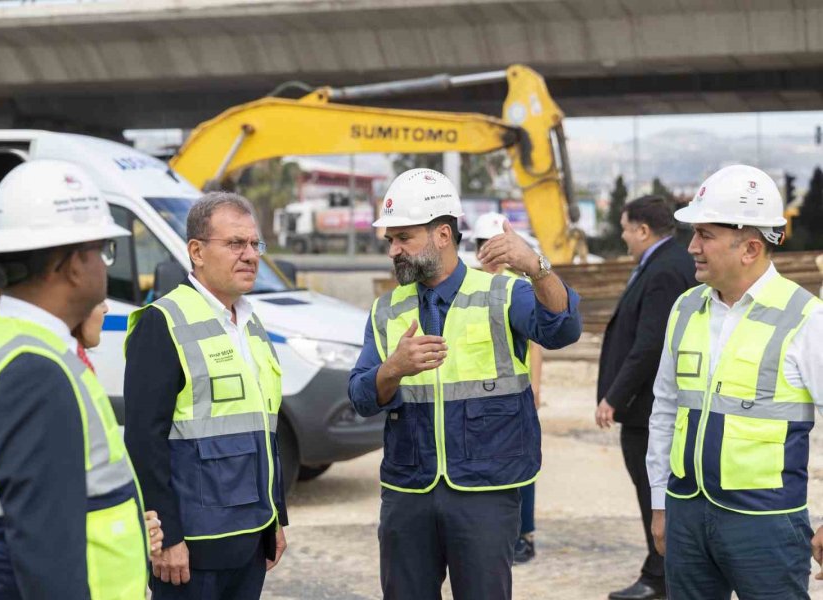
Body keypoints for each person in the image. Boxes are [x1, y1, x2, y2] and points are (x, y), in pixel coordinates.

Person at [349, 169, 582, 599]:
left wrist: (537, 267)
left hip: (486, 490)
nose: (394, 251)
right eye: (390, 241)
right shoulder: (386, 309)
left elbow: (563, 329)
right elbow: (361, 397)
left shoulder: (502, 292)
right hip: (409, 491)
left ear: (442, 234)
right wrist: (393, 369)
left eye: (404, 238)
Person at [0, 160, 150, 599]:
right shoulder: (34, 375)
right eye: (102, 251)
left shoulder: (5, 341)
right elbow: (48, 569)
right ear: (74, 265)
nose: (104, 265)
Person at [647, 164, 823, 599]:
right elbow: (666, 406)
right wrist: (659, 501)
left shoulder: (805, 318)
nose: (691, 247)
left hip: (767, 524)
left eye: (704, 234)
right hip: (686, 513)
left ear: (749, 248)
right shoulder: (686, 308)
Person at [124, 192, 288, 600]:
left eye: (255, 244)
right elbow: (143, 442)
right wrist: (167, 538)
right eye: (235, 244)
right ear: (196, 251)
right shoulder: (162, 323)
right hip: (192, 549)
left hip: (250, 540)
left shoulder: (250, 323)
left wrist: (275, 519)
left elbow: (264, 428)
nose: (250, 255)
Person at [595, 196, 695, 600]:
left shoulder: (666, 269)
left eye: (624, 227)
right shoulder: (662, 262)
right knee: (652, 492)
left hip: (648, 408)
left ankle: (661, 577)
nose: (621, 236)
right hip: (643, 405)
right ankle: (661, 571)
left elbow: (651, 343)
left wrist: (614, 397)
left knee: (654, 493)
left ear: (642, 230)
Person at [472, 212, 543, 564]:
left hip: (512, 393)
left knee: (519, 467)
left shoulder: (518, 287)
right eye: (484, 245)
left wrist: (535, 386)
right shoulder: (469, 287)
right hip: (477, 398)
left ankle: (522, 534)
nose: (489, 251)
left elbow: (536, 345)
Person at [72, 299, 166, 555]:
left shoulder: (73, 367)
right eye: (96, 299)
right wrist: (127, 531)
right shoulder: (49, 377)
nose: (106, 308)